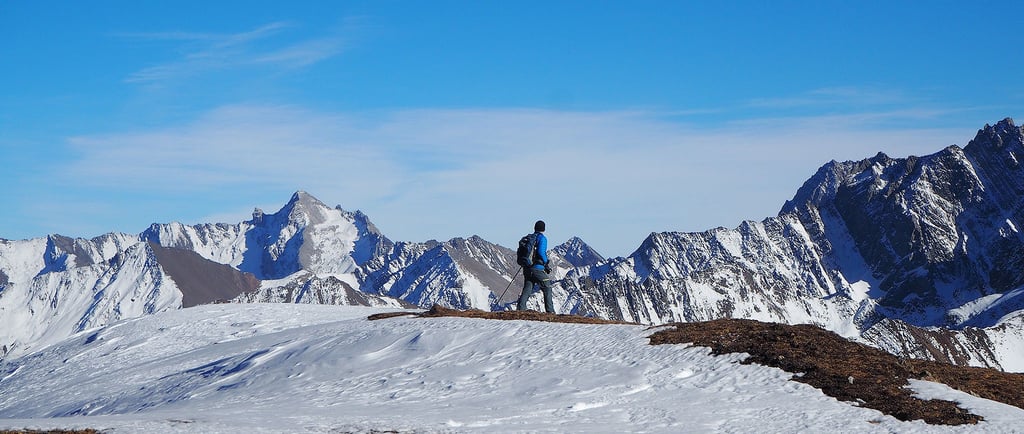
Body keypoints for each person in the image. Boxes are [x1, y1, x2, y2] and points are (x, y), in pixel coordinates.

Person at [518, 220, 555, 313]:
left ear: (535, 228)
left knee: (527, 288)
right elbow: (540, 252)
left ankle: (520, 309)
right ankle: (550, 312)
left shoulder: (529, 238)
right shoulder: (542, 238)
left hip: (527, 268)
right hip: (537, 269)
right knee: (547, 287)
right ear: (544, 229)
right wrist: (546, 262)